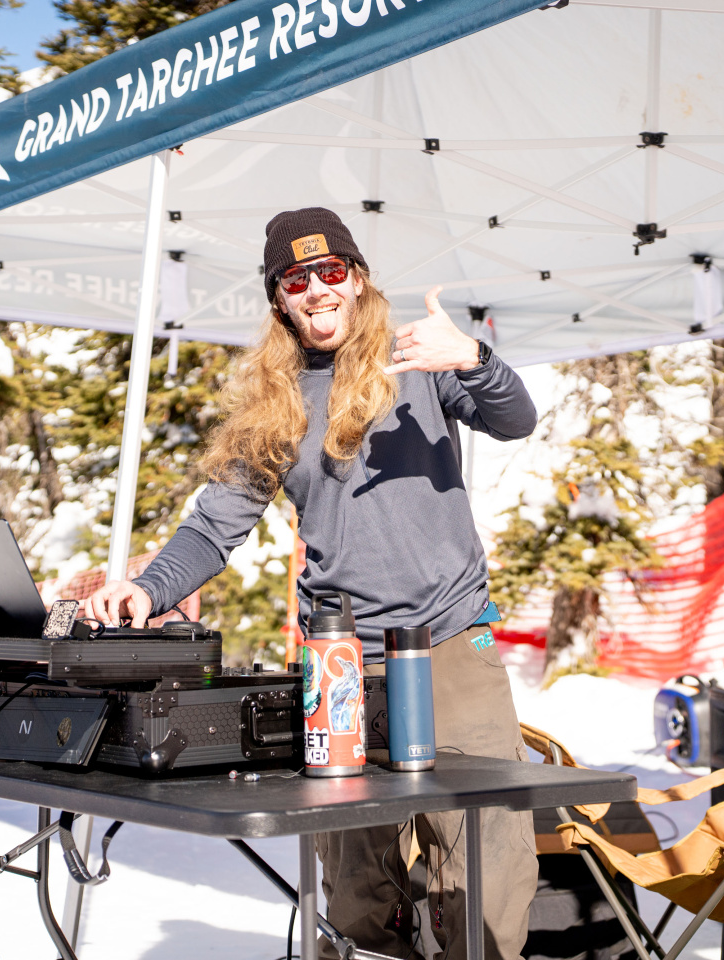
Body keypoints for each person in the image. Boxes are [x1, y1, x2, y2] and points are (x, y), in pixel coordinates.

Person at [87, 207, 539, 960]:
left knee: (483, 877)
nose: (318, 289)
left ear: (357, 280)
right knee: (359, 883)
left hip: (450, 648)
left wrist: (472, 358)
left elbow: (516, 419)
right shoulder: (278, 401)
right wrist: (147, 589)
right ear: (280, 300)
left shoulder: (417, 362)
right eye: (297, 279)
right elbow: (211, 528)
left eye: (332, 271)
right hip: (340, 668)